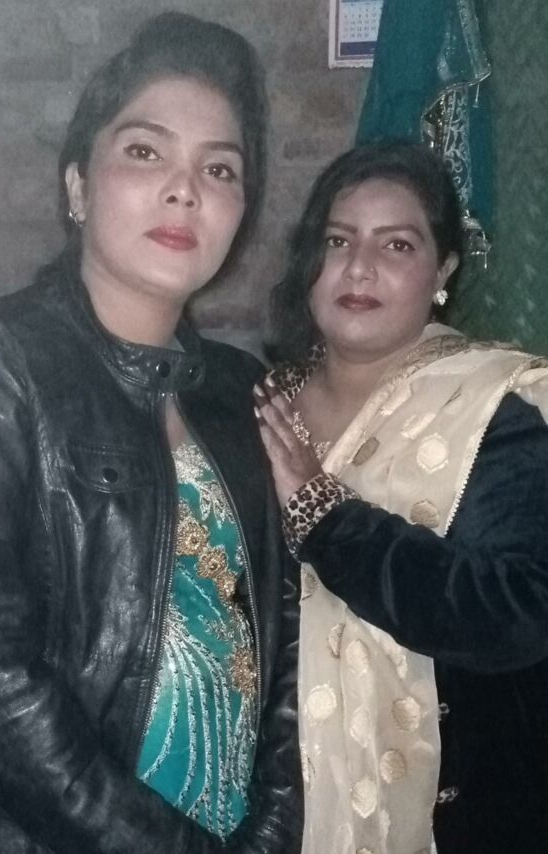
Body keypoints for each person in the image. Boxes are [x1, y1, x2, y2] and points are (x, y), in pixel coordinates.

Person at [0, 13, 303, 853]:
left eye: (219, 168)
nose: (185, 189)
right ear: (79, 187)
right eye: (146, 151)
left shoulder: (241, 392)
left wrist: (271, 832)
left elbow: (285, 639)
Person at [254, 141, 548, 854]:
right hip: (261, 808)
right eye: (338, 240)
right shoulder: (260, 405)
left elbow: (517, 615)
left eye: (397, 245)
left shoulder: (491, 413)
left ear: (442, 271)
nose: (359, 267)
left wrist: (326, 519)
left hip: (453, 816)